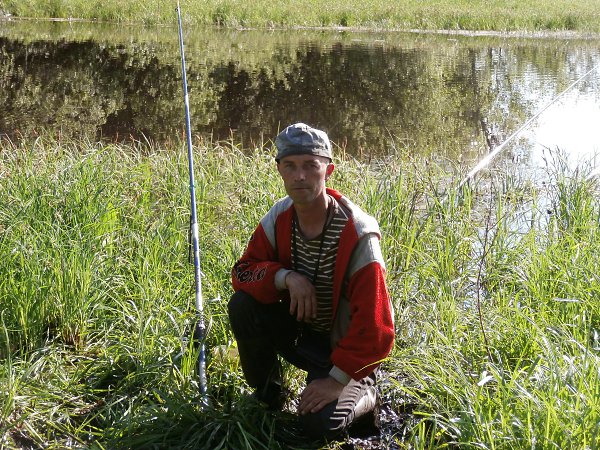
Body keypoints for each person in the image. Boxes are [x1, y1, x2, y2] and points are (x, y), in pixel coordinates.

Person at [228, 122, 394, 440]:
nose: (299, 176)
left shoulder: (358, 235)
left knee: (318, 424)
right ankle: (269, 395)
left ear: (328, 170)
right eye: (290, 166)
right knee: (243, 305)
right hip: (302, 335)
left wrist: (335, 381)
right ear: (279, 170)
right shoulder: (278, 219)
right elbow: (243, 273)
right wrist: (285, 277)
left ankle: (366, 391)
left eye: (310, 165)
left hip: (348, 351)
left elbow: (378, 328)